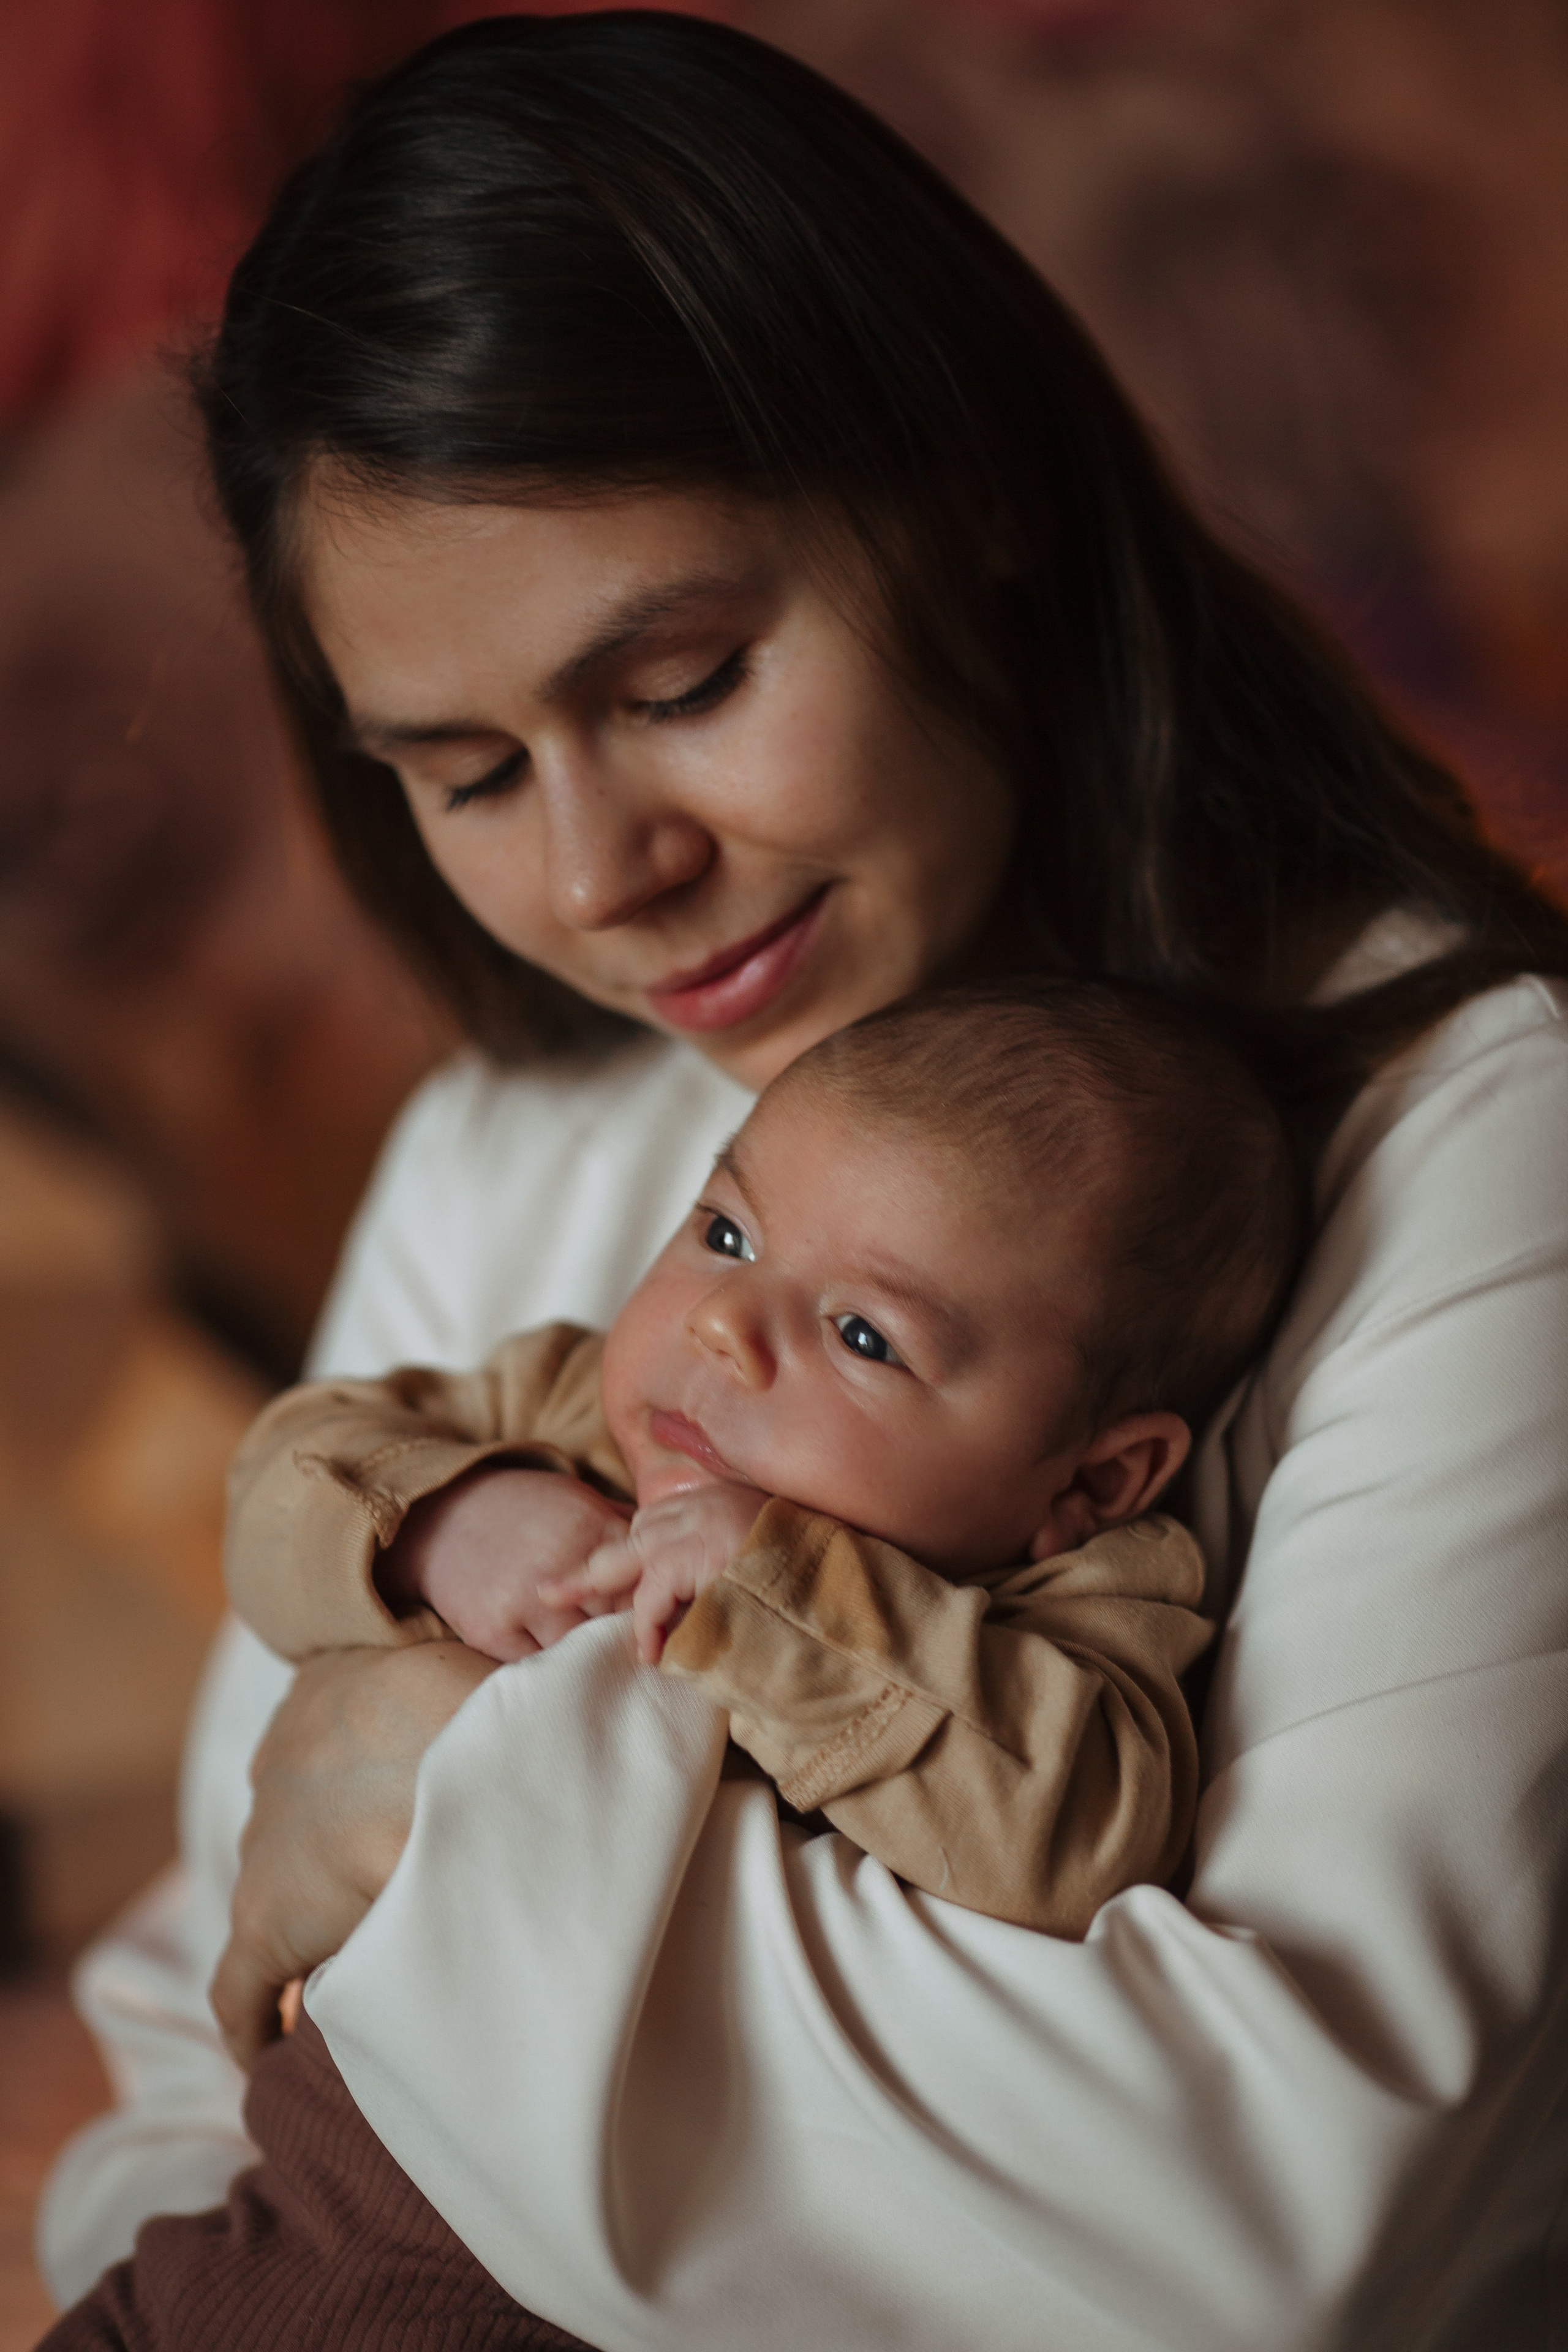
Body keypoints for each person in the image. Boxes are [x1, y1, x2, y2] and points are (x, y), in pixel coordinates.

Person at [36, 13, 1568, 2349]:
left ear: (969, 488)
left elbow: (1265, 2229)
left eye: (682, 680)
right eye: (459, 771)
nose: (602, 877)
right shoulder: (519, 1134)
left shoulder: (1483, 1130)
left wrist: (427, 1768)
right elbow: (180, 2060)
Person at [211, 982, 1298, 1998]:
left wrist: (776, 1597)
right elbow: (279, 1474)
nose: (721, 1323)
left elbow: (1076, 1848)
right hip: (358, 2059)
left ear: (1095, 1479)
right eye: (727, 1235)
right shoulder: (563, 1405)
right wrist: (444, 1517)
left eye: (863, 1335)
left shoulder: (1074, 1613)